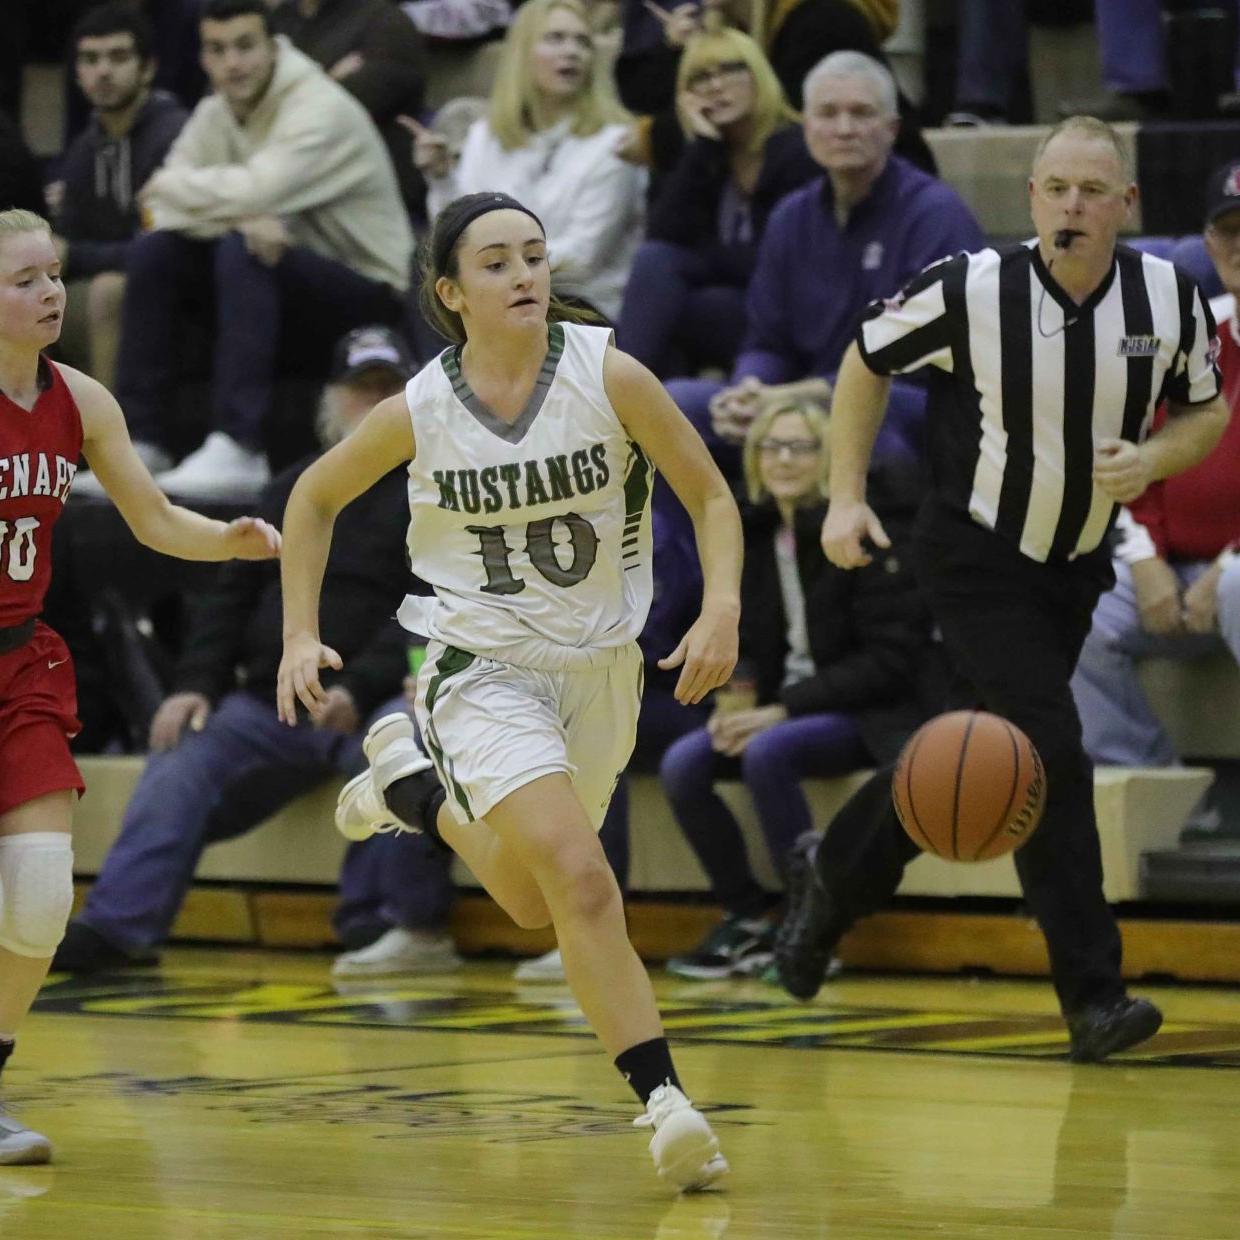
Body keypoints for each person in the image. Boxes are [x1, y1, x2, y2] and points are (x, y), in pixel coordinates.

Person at [276, 192, 742, 1191]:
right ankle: (666, 1103)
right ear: (450, 293)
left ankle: (410, 791)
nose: (525, 274)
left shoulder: (608, 373)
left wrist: (722, 609)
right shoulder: (421, 407)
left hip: (600, 668)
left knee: (533, 902)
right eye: (496, 262)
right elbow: (311, 497)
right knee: (582, 880)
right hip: (478, 667)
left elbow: (709, 493)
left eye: (533, 254)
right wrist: (299, 634)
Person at [774, 116, 1230, 1063]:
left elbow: (1207, 408)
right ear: (1031, 197)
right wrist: (845, 497)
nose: (1072, 205)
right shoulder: (971, 287)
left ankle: (832, 881)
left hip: (1076, 566)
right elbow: (864, 360)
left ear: (1127, 204)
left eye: (1092, 191)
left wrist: (1152, 459)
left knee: (975, 759)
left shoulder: (1168, 296)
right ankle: (1093, 997)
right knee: (1049, 751)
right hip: (975, 557)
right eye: (1055, 188)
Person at [0, 206, 280, 1164]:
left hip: (21, 665)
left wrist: (226, 539)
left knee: (41, 897)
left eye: (54, 275)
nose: (52, 294)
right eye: (25, 281)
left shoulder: (80, 399)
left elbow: (154, 517)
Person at [52, 324, 458, 977]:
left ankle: (394, 922)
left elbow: (432, 603)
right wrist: (195, 685)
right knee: (182, 748)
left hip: (378, 693)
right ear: (332, 399)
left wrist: (359, 685)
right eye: (360, 388)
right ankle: (118, 928)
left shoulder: (434, 491)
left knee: (409, 742)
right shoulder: (296, 485)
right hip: (271, 700)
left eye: (388, 387)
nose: (372, 401)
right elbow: (230, 595)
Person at [94, 0, 413, 502]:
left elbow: (257, 189)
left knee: (243, 249)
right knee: (157, 252)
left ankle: (239, 445)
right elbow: (153, 204)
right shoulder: (215, 110)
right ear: (202, 58)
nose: (233, 63)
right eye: (218, 50)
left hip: (368, 293)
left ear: (273, 48)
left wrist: (224, 206)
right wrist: (239, 213)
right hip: (279, 288)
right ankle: (142, 442)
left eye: (245, 46)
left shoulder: (320, 106)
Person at [663, 399, 932, 979]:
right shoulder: (754, 536)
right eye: (771, 446)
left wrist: (779, 711)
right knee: (684, 763)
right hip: (783, 708)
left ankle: (810, 924)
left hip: (868, 713)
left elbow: (889, 662)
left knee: (768, 751)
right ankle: (746, 916)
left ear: (830, 459)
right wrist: (733, 704)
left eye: (801, 447)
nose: (784, 459)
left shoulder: (861, 535)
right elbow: (746, 641)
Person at [665, 51, 982, 481]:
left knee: (872, 416)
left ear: (891, 130)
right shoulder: (790, 216)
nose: (844, 128)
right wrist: (748, 390)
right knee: (675, 407)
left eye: (861, 113)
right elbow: (767, 340)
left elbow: (915, 364)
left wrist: (792, 398)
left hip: (907, 404)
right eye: (828, 114)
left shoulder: (935, 215)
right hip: (800, 403)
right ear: (807, 127)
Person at [1071, 158, 1240, 785]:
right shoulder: (1187, 335)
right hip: (1176, 564)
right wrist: (1143, 559)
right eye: (1230, 232)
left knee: (1239, 586)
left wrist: (1226, 566)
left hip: (1232, 575)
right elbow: (1125, 452)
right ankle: (1151, 788)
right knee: (1071, 605)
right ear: (1210, 246)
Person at [409, 0, 646, 324]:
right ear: (521, 54)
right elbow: (458, 230)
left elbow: (583, 259)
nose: (572, 52)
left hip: (574, 303)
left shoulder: (616, 143)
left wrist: (494, 266)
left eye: (582, 42)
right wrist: (442, 179)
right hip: (493, 293)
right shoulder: (486, 135)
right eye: (555, 38)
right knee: (425, 263)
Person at [615, 27, 818, 378]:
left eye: (729, 70)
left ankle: (616, 394)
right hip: (726, 300)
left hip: (782, 311)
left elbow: (778, 263)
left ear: (758, 76)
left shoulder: (798, 151)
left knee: (674, 310)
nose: (715, 86)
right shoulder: (706, 153)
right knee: (657, 266)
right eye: (700, 78)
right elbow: (662, 237)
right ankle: (630, 394)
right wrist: (703, 147)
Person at [50, 4, 189, 391]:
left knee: (108, 291)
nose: (103, 71)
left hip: (178, 281)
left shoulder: (174, 135)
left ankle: (108, 425)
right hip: (111, 275)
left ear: (148, 68)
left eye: (118, 57)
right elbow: (69, 235)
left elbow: (159, 247)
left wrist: (73, 254)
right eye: (90, 59)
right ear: (77, 73)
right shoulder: (85, 146)